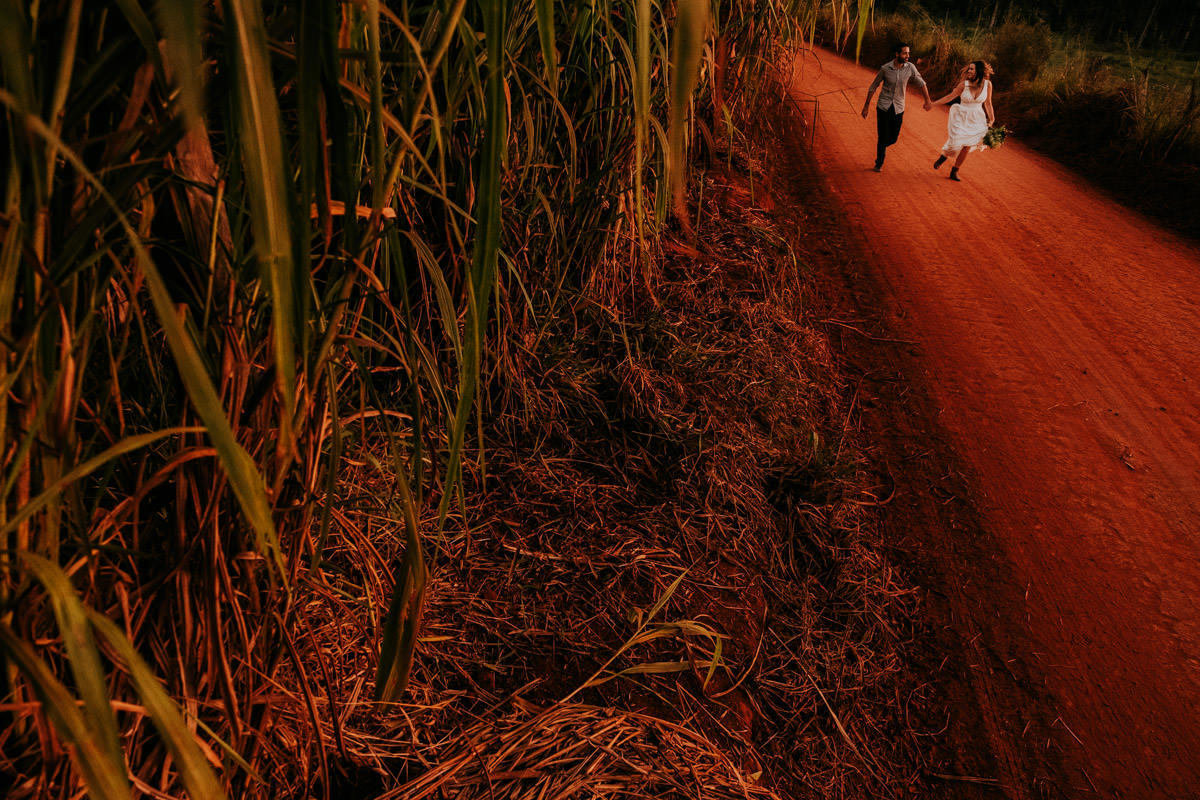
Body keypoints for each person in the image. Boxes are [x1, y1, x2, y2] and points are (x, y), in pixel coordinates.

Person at [861, 43, 933, 172]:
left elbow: (921, 83)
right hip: (883, 106)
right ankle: (879, 162)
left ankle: (882, 146)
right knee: (882, 136)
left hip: (898, 107)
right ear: (897, 54)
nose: (907, 56)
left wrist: (927, 100)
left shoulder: (910, 68)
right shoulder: (885, 68)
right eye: (905, 53)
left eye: (908, 53)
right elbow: (873, 86)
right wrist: (866, 106)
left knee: (893, 138)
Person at [931, 60, 996, 181]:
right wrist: (932, 104)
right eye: (969, 69)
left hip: (977, 118)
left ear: (979, 71)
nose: (969, 71)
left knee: (967, 146)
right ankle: (944, 156)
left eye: (972, 69)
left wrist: (991, 120)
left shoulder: (988, 85)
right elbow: (949, 97)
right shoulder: (963, 85)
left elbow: (988, 103)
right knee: (955, 141)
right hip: (961, 116)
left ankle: (955, 170)